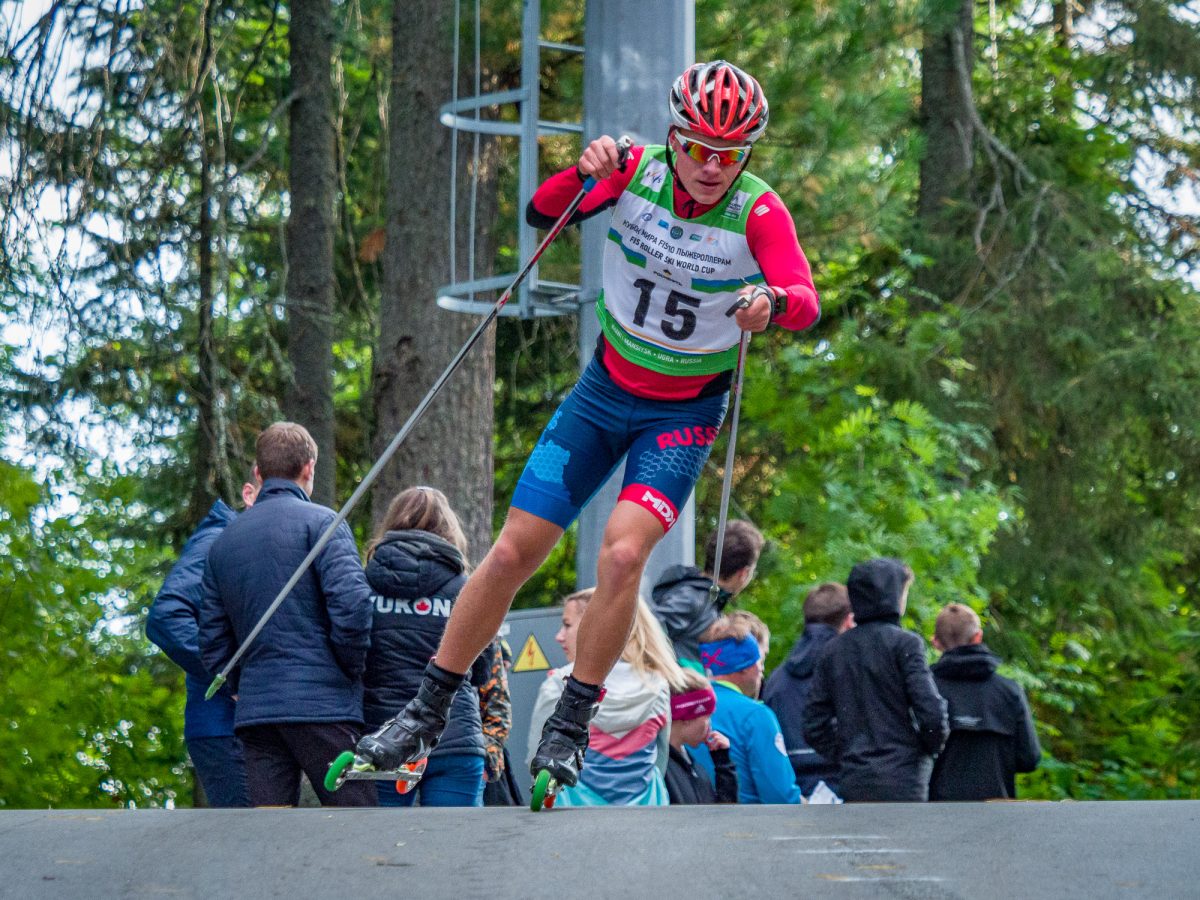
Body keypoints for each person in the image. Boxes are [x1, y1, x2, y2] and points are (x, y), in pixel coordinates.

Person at [355, 60, 820, 795]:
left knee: (623, 554)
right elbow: (543, 212)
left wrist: (772, 302)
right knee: (512, 551)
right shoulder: (635, 170)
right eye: (700, 149)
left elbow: (804, 295)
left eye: (730, 155)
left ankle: (573, 721)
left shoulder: (758, 211)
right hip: (602, 396)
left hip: (682, 413)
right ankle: (425, 708)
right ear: (675, 138)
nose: (712, 167)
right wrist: (583, 170)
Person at [198, 422, 375, 807]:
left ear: (258, 473)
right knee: (359, 821)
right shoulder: (324, 524)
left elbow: (211, 636)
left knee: (270, 829)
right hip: (323, 706)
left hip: (258, 715)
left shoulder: (224, 542)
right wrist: (348, 670)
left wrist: (241, 685)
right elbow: (354, 607)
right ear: (309, 468)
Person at [362, 486, 494, 807]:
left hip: (383, 735)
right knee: (453, 838)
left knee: (379, 838)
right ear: (449, 528)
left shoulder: (362, 584)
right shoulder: (466, 590)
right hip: (454, 736)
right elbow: (482, 670)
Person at [145, 476, 258, 807]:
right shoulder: (219, 539)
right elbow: (166, 618)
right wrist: (231, 676)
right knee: (251, 835)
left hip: (249, 728)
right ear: (248, 493)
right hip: (223, 728)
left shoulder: (259, 548)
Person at [803, 558, 948, 802]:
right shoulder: (905, 644)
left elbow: (813, 724)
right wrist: (923, 751)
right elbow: (931, 712)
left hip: (856, 777)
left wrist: (847, 754)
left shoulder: (834, 651)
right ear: (895, 596)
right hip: (905, 779)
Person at [526, 591, 684, 806]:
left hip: (571, 808)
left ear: (594, 626)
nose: (559, 636)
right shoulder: (657, 685)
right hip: (645, 807)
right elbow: (660, 759)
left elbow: (537, 758)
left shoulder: (559, 683)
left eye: (567, 625)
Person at [928, 603, 1041, 801]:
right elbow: (1029, 759)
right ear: (977, 636)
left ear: (935, 642)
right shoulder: (1009, 692)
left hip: (936, 812)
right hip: (995, 812)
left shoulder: (925, 690)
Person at [691, 612, 800, 804]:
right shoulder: (755, 716)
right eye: (760, 662)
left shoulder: (684, 709)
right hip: (746, 820)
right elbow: (780, 797)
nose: (762, 671)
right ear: (747, 667)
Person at [762, 582, 853, 795]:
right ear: (849, 621)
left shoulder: (778, 678)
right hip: (846, 787)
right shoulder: (852, 671)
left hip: (793, 790)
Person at [651, 520, 765, 671]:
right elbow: (648, 630)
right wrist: (676, 671)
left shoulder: (709, 599)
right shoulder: (693, 597)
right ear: (743, 573)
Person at [664, 669, 738, 804]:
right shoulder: (662, 770)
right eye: (707, 716)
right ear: (686, 717)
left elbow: (722, 814)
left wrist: (723, 765)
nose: (710, 725)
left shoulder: (694, 767)